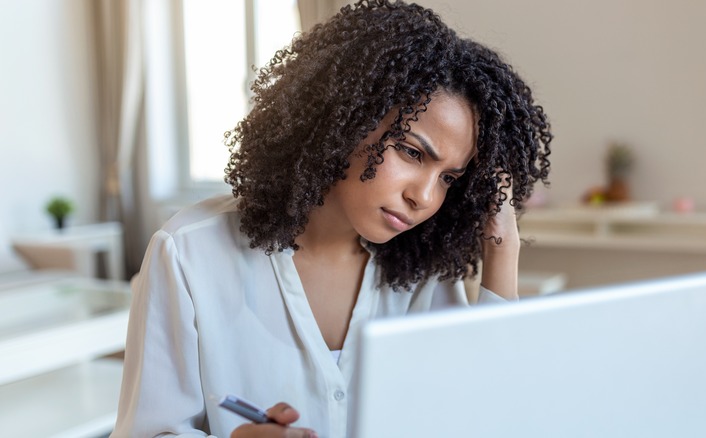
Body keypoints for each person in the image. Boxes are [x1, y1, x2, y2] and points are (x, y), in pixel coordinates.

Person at [111, 0, 552, 437]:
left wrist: (502, 248)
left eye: (450, 178)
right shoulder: (189, 252)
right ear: (345, 119)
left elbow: (486, 413)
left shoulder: (422, 272)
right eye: (412, 153)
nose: (425, 196)